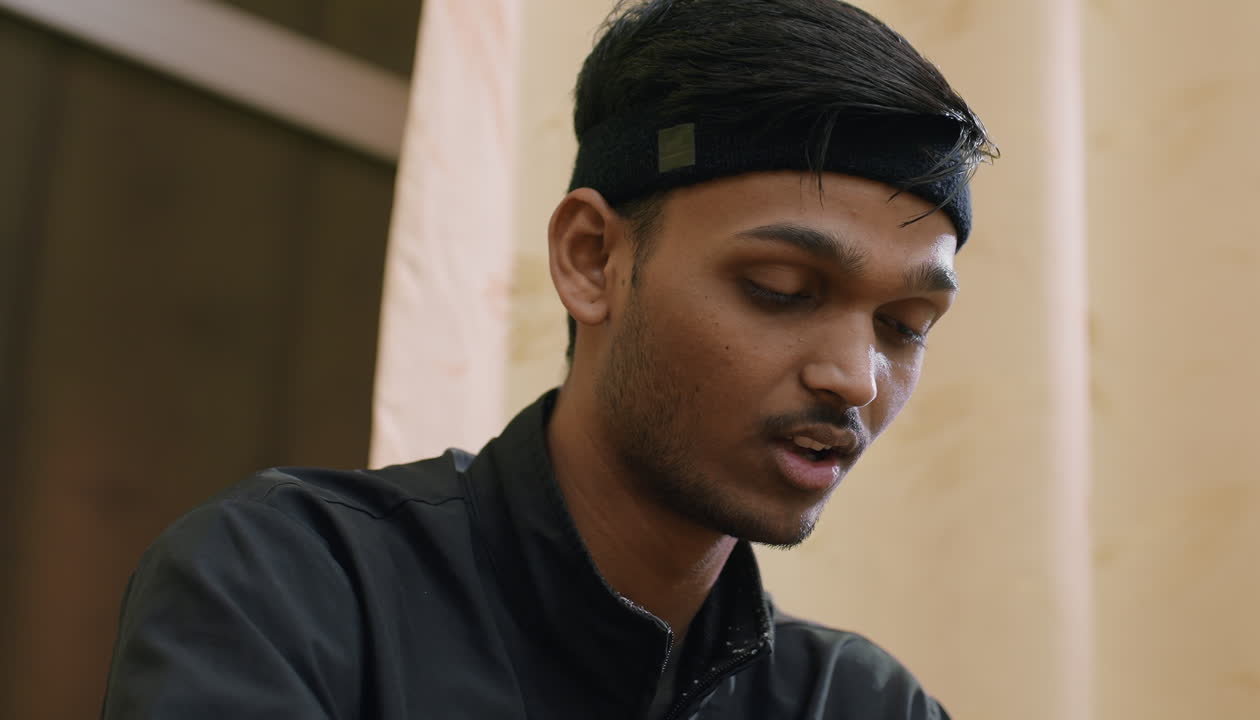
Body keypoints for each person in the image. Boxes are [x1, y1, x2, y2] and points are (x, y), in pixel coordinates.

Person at [101, 0, 995, 718]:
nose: (854, 375)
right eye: (779, 287)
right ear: (591, 259)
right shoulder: (296, 589)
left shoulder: (859, 703)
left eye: (904, 324)